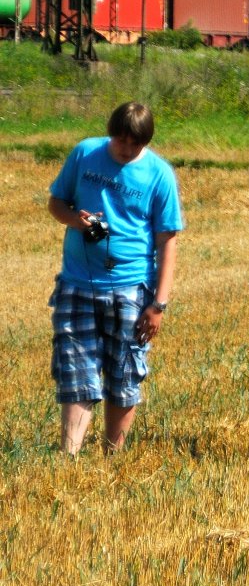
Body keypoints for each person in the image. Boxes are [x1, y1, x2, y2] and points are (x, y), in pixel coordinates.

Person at [48, 102, 184, 456]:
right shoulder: (85, 153)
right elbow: (56, 203)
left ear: (146, 142)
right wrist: (75, 220)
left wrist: (158, 304)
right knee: (76, 371)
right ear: (111, 134)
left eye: (134, 145)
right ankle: (69, 457)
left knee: (124, 373)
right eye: (120, 141)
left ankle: (113, 455)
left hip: (131, 288)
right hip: (77, 282)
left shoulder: (159, 174)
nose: (125, 150)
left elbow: (167, 242)